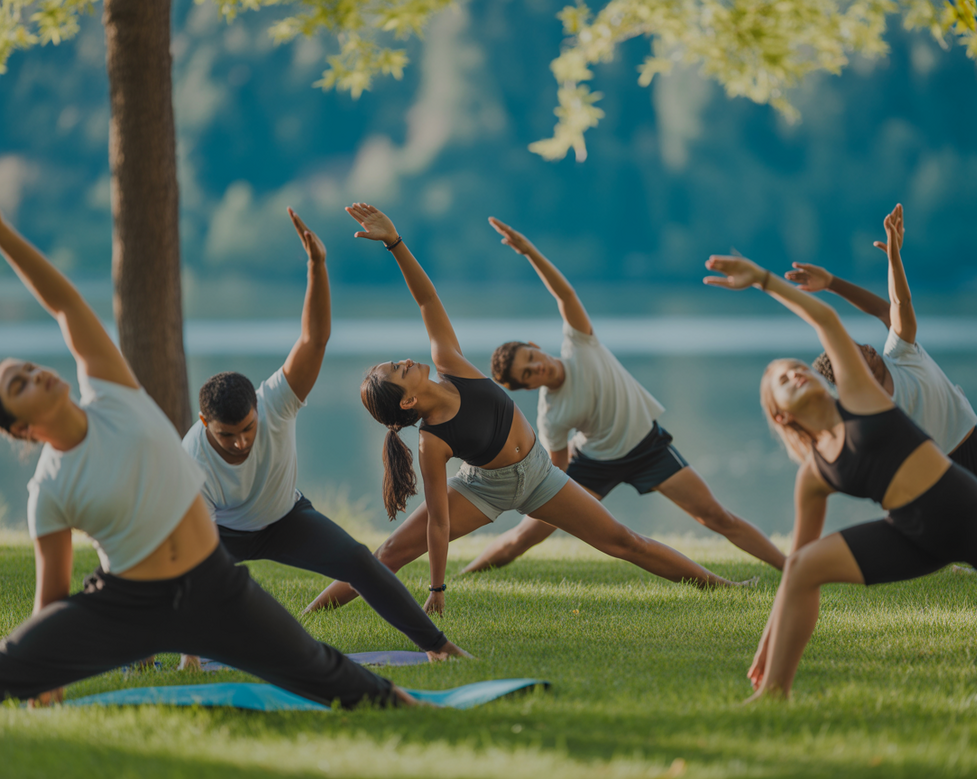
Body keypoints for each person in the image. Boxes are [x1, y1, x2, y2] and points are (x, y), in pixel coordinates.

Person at [0, 209, 413, 708]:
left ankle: (408, 702)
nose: (35, 374)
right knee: (11, 667)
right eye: (19, 385)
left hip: (213, 584)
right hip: (128, 602)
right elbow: (50, 602)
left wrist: (3, 234)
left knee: (323, 671)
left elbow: (64, 304)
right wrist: (45, 678)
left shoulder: (111, 393)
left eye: (28, 367)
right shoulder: (48, 489)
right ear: (21, 429)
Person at [304, 204, 752, 616]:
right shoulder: (432, 442)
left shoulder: (451, 364)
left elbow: (426, 300)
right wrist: (437, 589)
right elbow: (438, 523)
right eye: (399, 371)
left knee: (624, 541)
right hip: (484, 490)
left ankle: (723, 587)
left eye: (397, 361)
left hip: (539, 474)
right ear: (407, 401)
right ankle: (309, 618)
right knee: (390, 554)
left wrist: (395, 242)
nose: (405, 361)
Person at [702, 222, 977, 701]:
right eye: (783, 380)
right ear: (780, 414)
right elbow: (794, 568)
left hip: (966, 516)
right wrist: (766, 642)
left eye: (797, 368)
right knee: (803, 567)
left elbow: (825, 319)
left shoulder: (861, 397)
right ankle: (773, 694)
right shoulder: (814, 475)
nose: (796, 374)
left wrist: (762, 279)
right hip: (912, 537)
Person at [179, 209, 467, 669]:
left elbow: (314, 339)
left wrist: (317, 266)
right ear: (203, 422)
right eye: (226, 436)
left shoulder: (275, 401)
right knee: (164, 571)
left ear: (257, 409)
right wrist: (191, 653)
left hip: (284, 518)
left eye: (248, 429)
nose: (240, 443)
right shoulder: (191, 461)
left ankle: (438, 646)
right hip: (222, 532)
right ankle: (151, 647)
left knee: (359, 561)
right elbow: (196, 560)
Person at [461, 218, 785, 574]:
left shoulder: (580, 343)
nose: (537, 367)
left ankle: (792, 568)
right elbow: (557, 470)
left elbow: (565, 295)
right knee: (525, 536)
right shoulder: (551, 415)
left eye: (531, 357)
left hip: (647, 447)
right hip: (594, 465)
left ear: (535, 346)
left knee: (716, 516)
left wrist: (530, 252)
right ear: (526, 387)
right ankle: (467, 575)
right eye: (527, 374)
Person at [786, 203, 977, 521]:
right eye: (857, 352)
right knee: (972, 532)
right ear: (850, 371)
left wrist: (842, 279)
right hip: (936, 476)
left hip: (971, 444)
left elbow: (893, 306)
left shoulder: (900, 352)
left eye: (860, 343)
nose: (867, 347)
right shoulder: (870, 409)